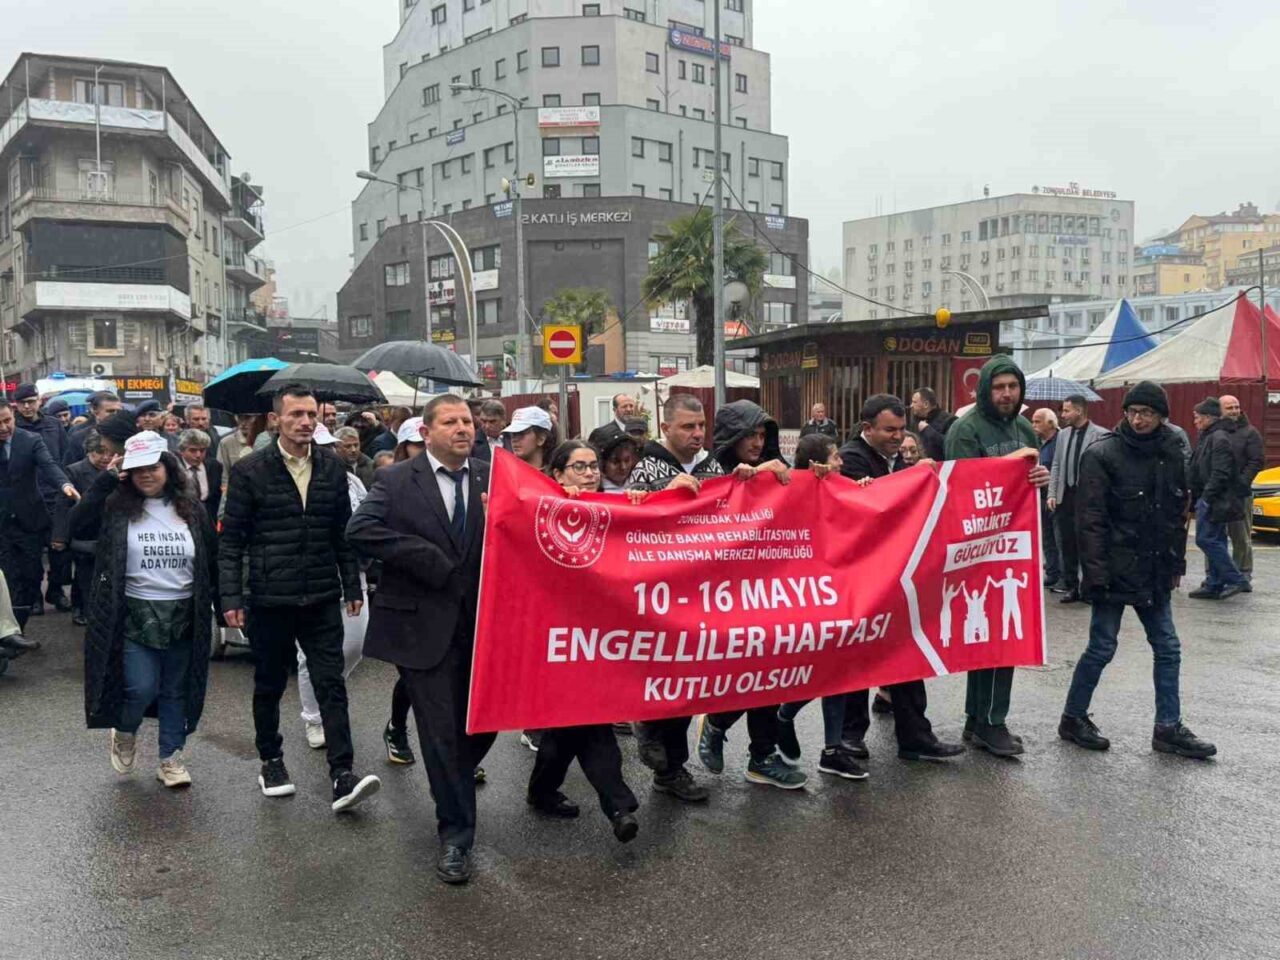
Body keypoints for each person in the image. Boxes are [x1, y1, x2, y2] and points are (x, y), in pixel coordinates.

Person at [347, 394, 496, 884]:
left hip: (482, 625)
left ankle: (450, 778)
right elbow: (361, 530)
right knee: (439, 731)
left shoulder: (492, 477)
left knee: (482, 726)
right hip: (420, 627)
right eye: (451, 422)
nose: (463, 429)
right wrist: (423, 556)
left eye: (468, 422)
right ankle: (456, 837)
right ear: (425, 432)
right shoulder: (395, 479)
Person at [218, 384, 380, 812]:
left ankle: (342, 774)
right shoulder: (251, 470)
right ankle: (271, 760)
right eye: (296, 415)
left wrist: (351, 587)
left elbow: (341, 534)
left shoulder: (331, 466)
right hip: (269, 598)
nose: (306, 422)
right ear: (276, 420)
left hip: (322, 595)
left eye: (312, 414)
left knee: (332, 684)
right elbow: (232, 541)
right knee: (269, 684)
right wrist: (231, 596)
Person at [1061, 381, 1216, 760]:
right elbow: (1090, 520)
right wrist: (1093, 575)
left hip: (1154, 570)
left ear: (1162, 417)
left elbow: (1177, 515)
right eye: (1133, 412)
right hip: (1113, 570)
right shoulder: (1103, 454)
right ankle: (1073, 718)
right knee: (1102, 647)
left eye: (1146, 413)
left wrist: (1176, 564)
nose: (1138, 419)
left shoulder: (1172, 450)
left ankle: (1168, 727)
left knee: (1168, 648)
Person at [818, 395, 964, 765]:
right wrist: (909, 479)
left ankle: (915, 735)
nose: (899, 437)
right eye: (890, 430)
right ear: (867, 428)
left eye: (902, 429)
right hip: (857, 579)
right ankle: (850, 737)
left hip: (895, 576)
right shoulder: (851, 458)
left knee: (906, 654)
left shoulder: (896, 457)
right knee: (855, 660)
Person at [73, 432, 218, 788]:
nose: (146, 475)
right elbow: (75, 524)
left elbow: (212, 557)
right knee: (140, 687)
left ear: (167, 467)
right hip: (133, 613)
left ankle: (171, 758)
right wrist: (106, 479)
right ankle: (124, 729)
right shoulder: (115, 507)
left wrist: (225, 601)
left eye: (152, 467)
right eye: (137, 469)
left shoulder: (191, 509)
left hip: (185, 613)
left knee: (175, 690)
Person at [525, 440, 642, 842]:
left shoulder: (615, 506)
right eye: (579, 467)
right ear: (558, 474)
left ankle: (542, 790)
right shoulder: (538, 508)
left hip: (600, 637)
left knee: (569, 725)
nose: (590, 473)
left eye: (594, 466)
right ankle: (618, 804)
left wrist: (642, 504)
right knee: (589, 720)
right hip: (555, 638)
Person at [695, 399, 805, 790]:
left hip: (770, 586)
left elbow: (802, 503)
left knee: (773, 674)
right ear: (731, 436)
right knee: (743, 674)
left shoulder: (777, 470)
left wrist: (821, 476)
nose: (757, 443)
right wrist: (743, 480)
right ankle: (719, 721)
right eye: (750, 435)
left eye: (763, 435)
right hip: (726, 591)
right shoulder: (712, 470)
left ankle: (762, 757)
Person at [943, 355, 1050, 757]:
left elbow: (1028, 482)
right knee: (987, 635)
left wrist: (1039, 478)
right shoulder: (965, 429)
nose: (1006, 394)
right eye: (999, 387)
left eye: (1013, 386)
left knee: (1005, 633)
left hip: (1013, 545)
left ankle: (981, 719)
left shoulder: (1025, 427)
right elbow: (961, 484)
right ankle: (990, 721)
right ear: (985, 389)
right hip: (975, 547)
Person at [624, 394, 728, 802]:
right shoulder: (646, 468)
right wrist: (664, 493)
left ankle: (670, 763)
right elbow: (629, 523)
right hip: (661, 594)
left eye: (701, 425)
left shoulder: (713, 466)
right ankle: (661, 751)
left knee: (690, 684)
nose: (697, 433)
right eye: (687, 426)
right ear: (665, 429)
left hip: (702, 594)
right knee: (663, 678)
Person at [772, 434, 871, 780]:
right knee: (821, 671)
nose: (841, 462)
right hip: (807, 595)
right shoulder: (794, 489)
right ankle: (786, 714)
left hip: (838, 590)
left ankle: (830, 750)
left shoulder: (838, 486)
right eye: (834, 457)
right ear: (815, 462)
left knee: (838, 672)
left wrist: (866, 491)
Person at [292, 423, 385, 754]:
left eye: (331, 446)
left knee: (356, 644)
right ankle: (314, 716)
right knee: (311, 652)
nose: (330, 452)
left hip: (352, 572)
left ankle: (328, 691)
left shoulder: (353, 480)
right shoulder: (298, 483)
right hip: (314, 575)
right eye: (323, 446)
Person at [0, 399, 79, 630]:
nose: (4, 428)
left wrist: (64, 485)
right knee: (8, 579)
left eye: (7, 421)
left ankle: (18, 627)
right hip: (1, 523)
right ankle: (11, 634)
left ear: (13, 416)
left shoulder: (31, 440)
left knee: (31, 576)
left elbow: (49, 465)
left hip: (29, 520)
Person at [14, 384, 72, 614]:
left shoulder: (54, 425)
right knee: (30, 554)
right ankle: (34, 595)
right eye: (22, 403)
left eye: (31, 401)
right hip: (25, 499)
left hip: (54, 497)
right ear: (16, 405)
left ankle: (55, 591)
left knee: (60, 550)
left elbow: (64, 458)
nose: (27, 406)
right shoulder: (12, 427)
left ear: (39, 401)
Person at [1047, 395, 1107, 604]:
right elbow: (1056, 464)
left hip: (1088, 498)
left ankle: (1089, 588)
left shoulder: (1100, 435)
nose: (1062, 415)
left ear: (1079, 411)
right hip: (1066, 496)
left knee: (1088, 544)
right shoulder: (1062, 435)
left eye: (1066, 411)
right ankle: (1071, 586)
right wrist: (1052, 493)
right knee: (1067, 544)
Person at [1187, 398, 1246, 600]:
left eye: (1197, 418)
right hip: (1211, 497)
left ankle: (1235, 578)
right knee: (1216, 539)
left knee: (1206, 539)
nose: (1194, 422)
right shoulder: (1209, 435)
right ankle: (1214, 583)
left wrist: (1206, 497)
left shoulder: (1218, 437)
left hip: (1215, 499)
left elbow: (1221, 472)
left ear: (1207, 418)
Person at [60, 430, 115, 625]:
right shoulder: (74, 471)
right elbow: (66, 506)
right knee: (84, 574)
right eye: (100, 453)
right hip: (85, 530)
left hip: (108, 528)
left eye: (109, 453)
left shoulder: (115, 470)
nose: (106, 458)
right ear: (88, 452)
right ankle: (81, 608)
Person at [1219, 394, 1263, 590]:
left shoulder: (1250, 433)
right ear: (1220, 410)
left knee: (1240, 536)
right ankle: (1216, 575)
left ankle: (1243, 574)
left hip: (1240, 494)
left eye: (1236, 406)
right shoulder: (1216, 432)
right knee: (1215, 536)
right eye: (1229, 408)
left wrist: (1242, 483)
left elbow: (1256, 461)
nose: (1235, 410)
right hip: (1217, 493)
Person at [1030, 408, 1062, 590]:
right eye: (1033, 422)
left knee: (1059, 538)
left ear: (1050, 423)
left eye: (1037, 421)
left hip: (1056, 498)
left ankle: (1064, 575)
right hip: (1041, 497)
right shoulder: (1038, 443)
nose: (1033, 425)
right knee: (1047, 537)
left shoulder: (1061, 441)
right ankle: (1052, 572)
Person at [64, 391, 122, 465]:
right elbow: (70, 469)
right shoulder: (79, 437)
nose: (115, 415)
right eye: (110, 411)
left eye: (118, 411)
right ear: (95, 411)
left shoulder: (127, 435)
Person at [178, 429, 222, 520]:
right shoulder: (176, 468)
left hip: (209, 518)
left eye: (202, 450)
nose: (198, 455)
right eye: (193, 450)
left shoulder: (214, 466)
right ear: (182, 451)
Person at [216, 413, 265, 487]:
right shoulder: (226, 443)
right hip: (236, 491)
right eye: (240, 418)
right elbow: (223, 475)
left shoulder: (267, 441)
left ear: (257, 418)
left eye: (248, 418)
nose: (243, 423)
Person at [502, 406, 555, 471]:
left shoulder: (557, 476)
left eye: (521, 433)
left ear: (541, 439)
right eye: (513, 434)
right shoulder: (507, 473)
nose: (514, 439)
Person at [911, 387, 956, 462]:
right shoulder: (916, 421)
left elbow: (951, 445)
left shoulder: (949, 420)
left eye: (914, 402)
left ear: (926, 404)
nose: (911, 405)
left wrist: (928, 430)